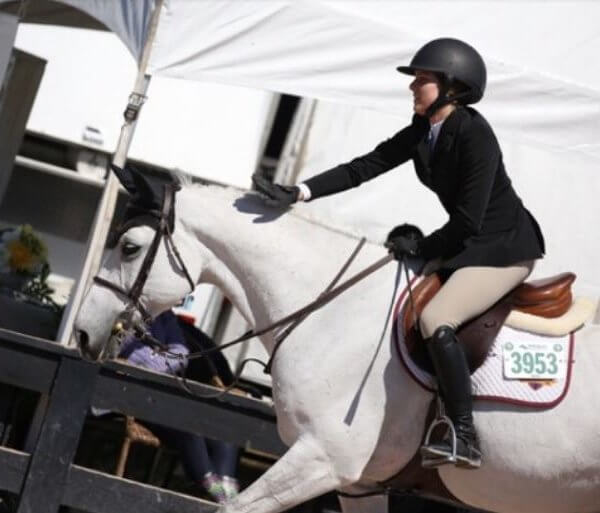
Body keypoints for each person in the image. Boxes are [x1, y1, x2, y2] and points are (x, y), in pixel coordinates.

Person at [252, 38, 545, 470]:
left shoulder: (475, 134)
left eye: (422, 80)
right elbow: (364, 166)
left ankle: (464, 436)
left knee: (434, 319)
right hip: (468, 243)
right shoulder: (423, 132)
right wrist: (299, 192)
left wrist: (423, 247)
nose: (413, 87)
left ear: (452, 88)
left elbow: (467, 220)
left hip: (502, 250)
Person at [119, 309, 240, 503]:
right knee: (190, 430)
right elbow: (129, 355)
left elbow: (182, 353)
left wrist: (155, 358)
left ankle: (228, 497)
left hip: (171, 394)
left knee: (225, 428)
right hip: (138, 396)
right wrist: (165, 358)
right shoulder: (125, 315)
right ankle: (221, 498)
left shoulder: (165, 315)